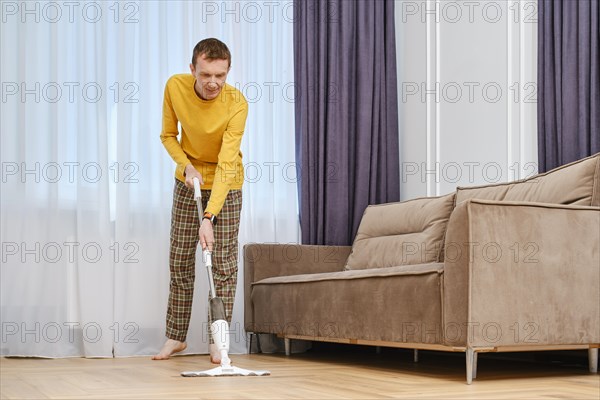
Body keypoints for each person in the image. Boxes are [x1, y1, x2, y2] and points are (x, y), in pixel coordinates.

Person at [153, 38, 248, 363]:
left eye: (220, 75)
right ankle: (175, 337)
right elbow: (168, 135)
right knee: (180, 260)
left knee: (222, 266)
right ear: (192, 69)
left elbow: (226, 163)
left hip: (227, 183)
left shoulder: (237, 103)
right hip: (189, 179)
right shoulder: (175, 87)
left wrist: (209, 216)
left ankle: (217, 341)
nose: (213, 83)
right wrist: (186, 166)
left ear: (227, 72)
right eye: (206, 74)